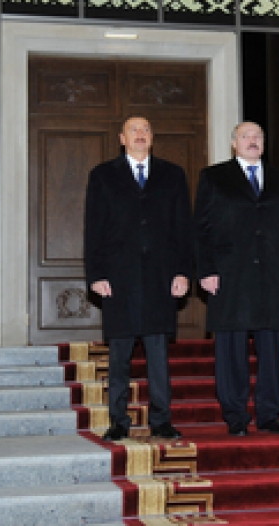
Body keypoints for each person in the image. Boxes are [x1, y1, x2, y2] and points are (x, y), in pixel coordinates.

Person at [193, 121, 279, 436]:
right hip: (228, 276)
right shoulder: (214, 177)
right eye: (246, 136)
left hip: (270, 275)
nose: (253, 140)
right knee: (231, 349)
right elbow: (200, 230)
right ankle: (235, 415)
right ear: (234, 143)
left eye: (258, 135)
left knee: (270, 348)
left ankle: (269, 414)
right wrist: (204, 271)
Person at [84, 116, 191, 441]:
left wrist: (184, 272)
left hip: (161, 278)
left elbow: (182, 229)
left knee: (158, 356)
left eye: (146, 129)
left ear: (152, 137)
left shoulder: (172, 175)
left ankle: (161, 420)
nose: (141, 134)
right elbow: (94, 230)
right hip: (119, 279)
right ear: (122, 138)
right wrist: (97, 274)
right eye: (134, 130)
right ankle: (119, 420)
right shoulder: (102, 176)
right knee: (119, 356)